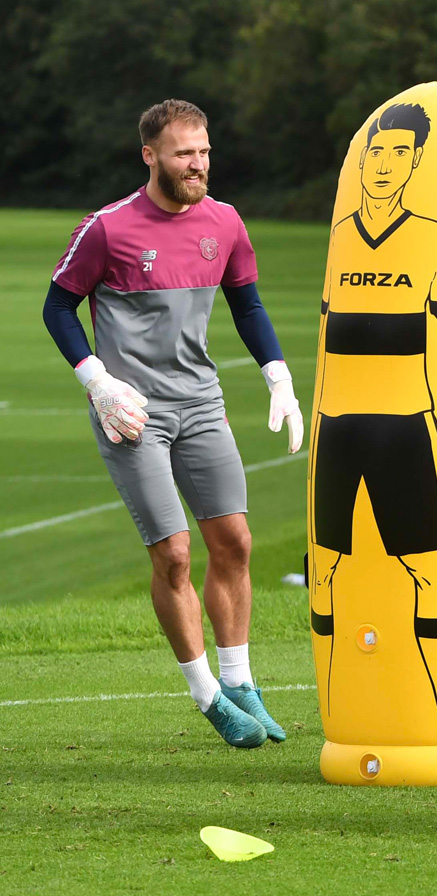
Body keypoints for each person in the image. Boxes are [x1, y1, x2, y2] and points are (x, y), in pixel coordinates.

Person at [42, 99, 301, 748]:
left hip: (202, 404)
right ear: (150, 155)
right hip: (131, 416)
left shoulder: (226, 222)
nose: (198, 163)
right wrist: (96, 381)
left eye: (205, 151)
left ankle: (241, 682)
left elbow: (247, 303)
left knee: (236, 543)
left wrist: (278, 374)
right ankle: (207, 695)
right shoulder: (105, 229)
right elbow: (57, 309)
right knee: (175, 553)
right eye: (185, 152)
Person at [307, 101, 437, 719]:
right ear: (362, 160)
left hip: (405, 434)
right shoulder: (341, 239)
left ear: (414, 161)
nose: (384, 164)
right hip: (337, 433)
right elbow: (326, 343)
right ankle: (341, 712)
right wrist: (313, 428)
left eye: (399, 153)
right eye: (376, 152)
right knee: (323, 573)